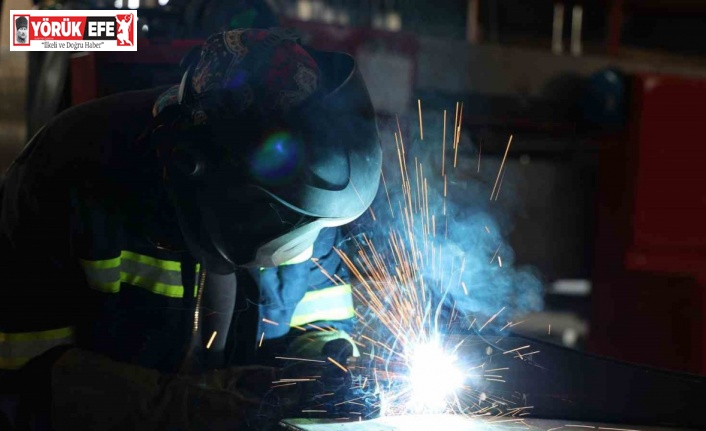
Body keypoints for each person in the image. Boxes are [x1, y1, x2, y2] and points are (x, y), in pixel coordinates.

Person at [0, 27, 382, 430]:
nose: (307, 247)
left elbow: (319, 321)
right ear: (203, 174)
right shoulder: (68, 175)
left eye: (320, 227)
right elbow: (22, 380)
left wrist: (327, 365)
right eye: (295, 224)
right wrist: (187, 409)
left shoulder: (310, 200)